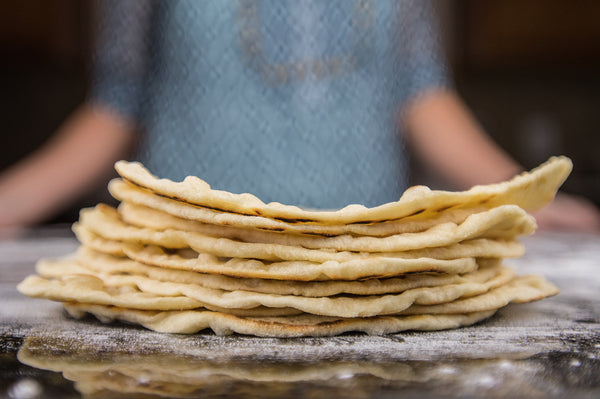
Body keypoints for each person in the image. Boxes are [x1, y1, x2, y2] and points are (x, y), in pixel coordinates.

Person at [0, 0, 598, 235]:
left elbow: (422, 97)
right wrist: (10, 201)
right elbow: (115, 108)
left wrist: (524, 195)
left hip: (366, 256)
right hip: (193, 252)